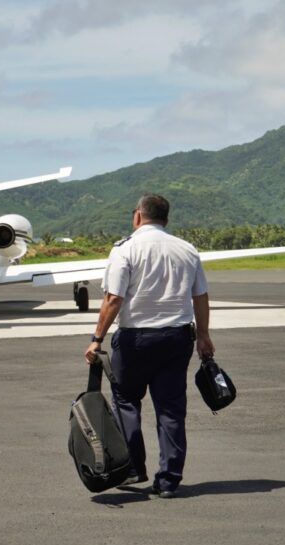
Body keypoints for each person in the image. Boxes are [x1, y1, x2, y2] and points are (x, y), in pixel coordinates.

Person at [84, 194, 214, 499]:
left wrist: (97, 339)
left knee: (126, 400)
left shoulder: (125, 249)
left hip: (136, 340)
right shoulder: (186, 249)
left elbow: (114, 299)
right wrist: (204, 335)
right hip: (177, 338)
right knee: (171, 408)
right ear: (165, 218)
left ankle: (133, 466)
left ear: (138, 216)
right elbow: (200, 296)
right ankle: (169, 480)